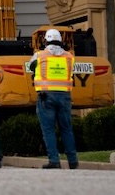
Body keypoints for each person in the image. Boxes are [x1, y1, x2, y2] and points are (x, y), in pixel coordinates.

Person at [28, 28, 79, 170]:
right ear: (60, 40)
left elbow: (32, 68)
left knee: (49, 130)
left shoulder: (39, 56)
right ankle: (73, 161)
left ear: (46, 41)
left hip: (46, 97)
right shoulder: (69, 57)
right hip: (64, 96)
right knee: (67, 129)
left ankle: (54, 160)